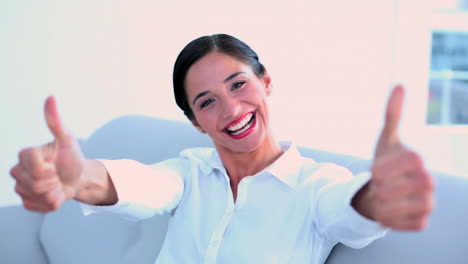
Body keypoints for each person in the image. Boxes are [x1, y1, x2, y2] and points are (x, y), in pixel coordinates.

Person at [10, 34, 434, 264]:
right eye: (207, 101)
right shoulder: (189, 172)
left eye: (239, 85)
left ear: (265, 82)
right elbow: (144, 185)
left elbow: (347, 209)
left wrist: (381, 194)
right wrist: (77, 175)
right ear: (195, 121)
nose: (231, 109)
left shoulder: (315, 185)